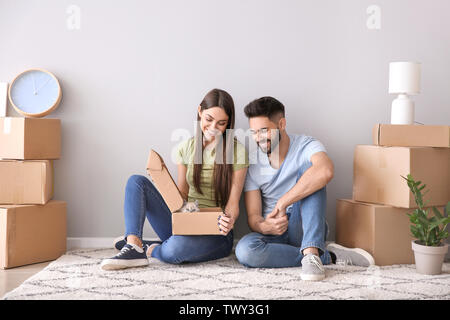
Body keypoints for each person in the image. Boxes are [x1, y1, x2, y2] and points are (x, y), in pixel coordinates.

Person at [101, 89, 249, 270]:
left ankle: (152, 248)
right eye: (209, 119)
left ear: (228, 123)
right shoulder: (186, 148)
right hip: (186, 221)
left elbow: (233, 205)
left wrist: (229, 219)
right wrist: (164, 186)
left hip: (216, 232)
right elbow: (182, 194)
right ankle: (133, 246)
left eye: (221, 123)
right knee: (136, 182)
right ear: (200, 112)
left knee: (174, 250)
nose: (213, 128)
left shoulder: (238, 151)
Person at [235, 96, 375, 281]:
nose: (258, 138)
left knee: (312, 170)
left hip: (304, 225)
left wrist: (283, 202)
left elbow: (325, 171)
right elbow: (253, 217)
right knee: (245, 251)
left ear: (282, 124)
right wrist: (265, 226)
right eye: (254, 132)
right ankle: (325, 256)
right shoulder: (253, 163)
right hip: (275, 233)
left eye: (264, 130)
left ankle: (311, 249)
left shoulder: (306, 145)